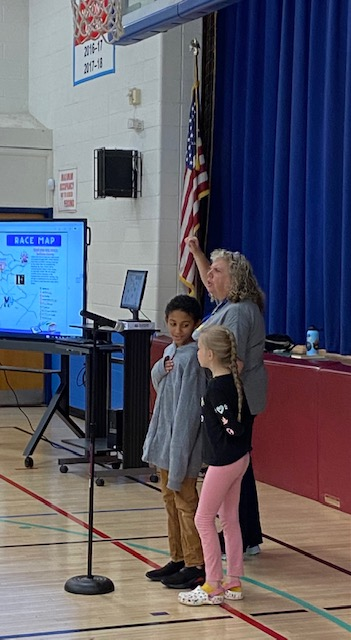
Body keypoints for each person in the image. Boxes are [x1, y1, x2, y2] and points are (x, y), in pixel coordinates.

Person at [185, 236, 267, 555]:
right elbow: (211, 282)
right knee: (239, 466)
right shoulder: (230, 304)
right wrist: (197, 254)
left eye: (217, 271)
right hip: (232, 396)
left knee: (233, 465)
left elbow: (234, 360)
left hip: (236, 399)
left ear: (234, 279)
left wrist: (216, 393)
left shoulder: (237, 313)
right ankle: (247, 535)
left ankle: (243, 536)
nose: (210, 276)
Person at [178, 325, 251, 606]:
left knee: (202, 519)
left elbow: (233, 425)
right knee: (229, 518)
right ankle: (234, 580)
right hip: (239, 458)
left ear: (209, 354)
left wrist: (230, 431)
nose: (197, 353)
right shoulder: (233, 383)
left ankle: (212, 585)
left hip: (224, 462)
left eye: (199, 349)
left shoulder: (216, 389)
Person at [142, 294, 207, 589]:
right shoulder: (171, 351)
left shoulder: (192, 359)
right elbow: (160, 384)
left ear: (196, 325)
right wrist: (160, 368)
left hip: (181, 447)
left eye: (184, 325)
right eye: (172, 324)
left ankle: (196, 564)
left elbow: (188, 413)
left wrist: (179, 454)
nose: (178, 330)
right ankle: (177, 557)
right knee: (170, 502)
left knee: (185, 504)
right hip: (165, 445)